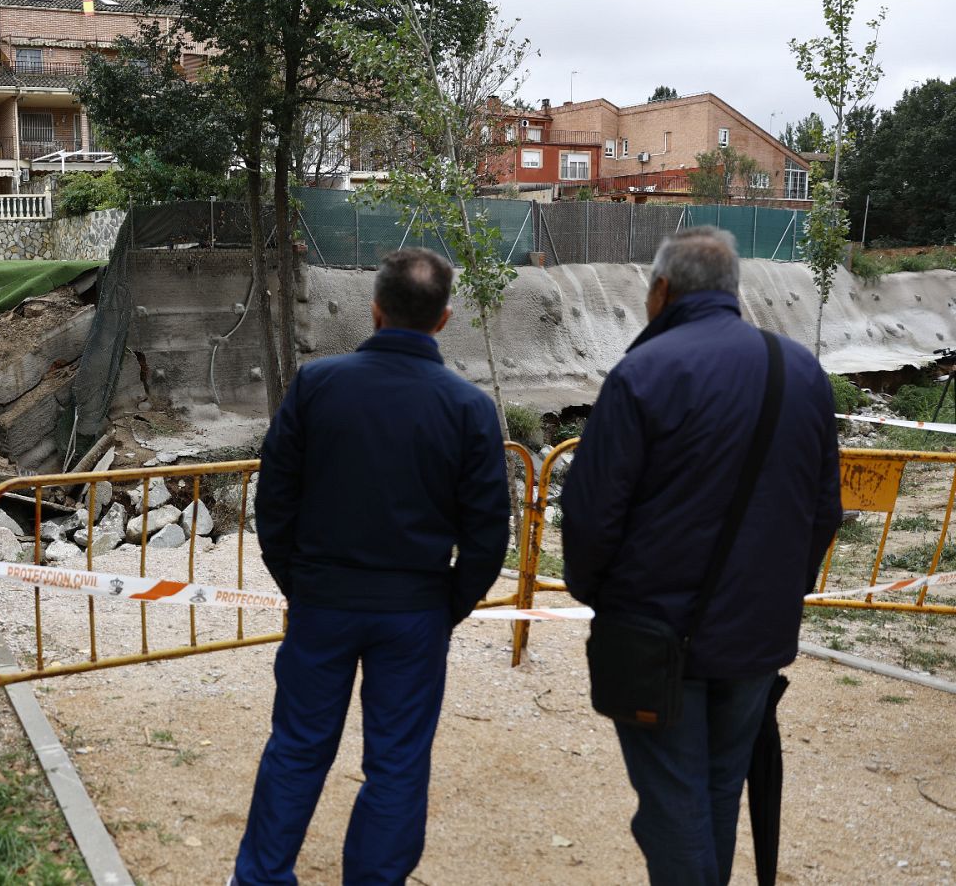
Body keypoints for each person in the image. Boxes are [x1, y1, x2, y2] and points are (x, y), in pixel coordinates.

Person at [562, 227, 842, 885]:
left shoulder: (643, 373)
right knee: (714, 795)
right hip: (753, 638)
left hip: (657, 637)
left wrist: (603, 597)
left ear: (660, 291)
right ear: (731, 290)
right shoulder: (799, 370)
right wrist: (778, 595)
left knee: (672, 810)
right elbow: (825, 511)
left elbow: (591, 515)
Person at [233, 247, 510, 885]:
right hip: (414, 609)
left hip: (323, 600)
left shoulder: (318, 384)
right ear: (444, 319)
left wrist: (300, 584)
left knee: (299, 748)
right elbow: (487, 533)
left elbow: (274, 502)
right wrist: (447, 605)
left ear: (375, 308)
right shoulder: (467, 409)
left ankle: (262, 876)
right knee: (398, 763)